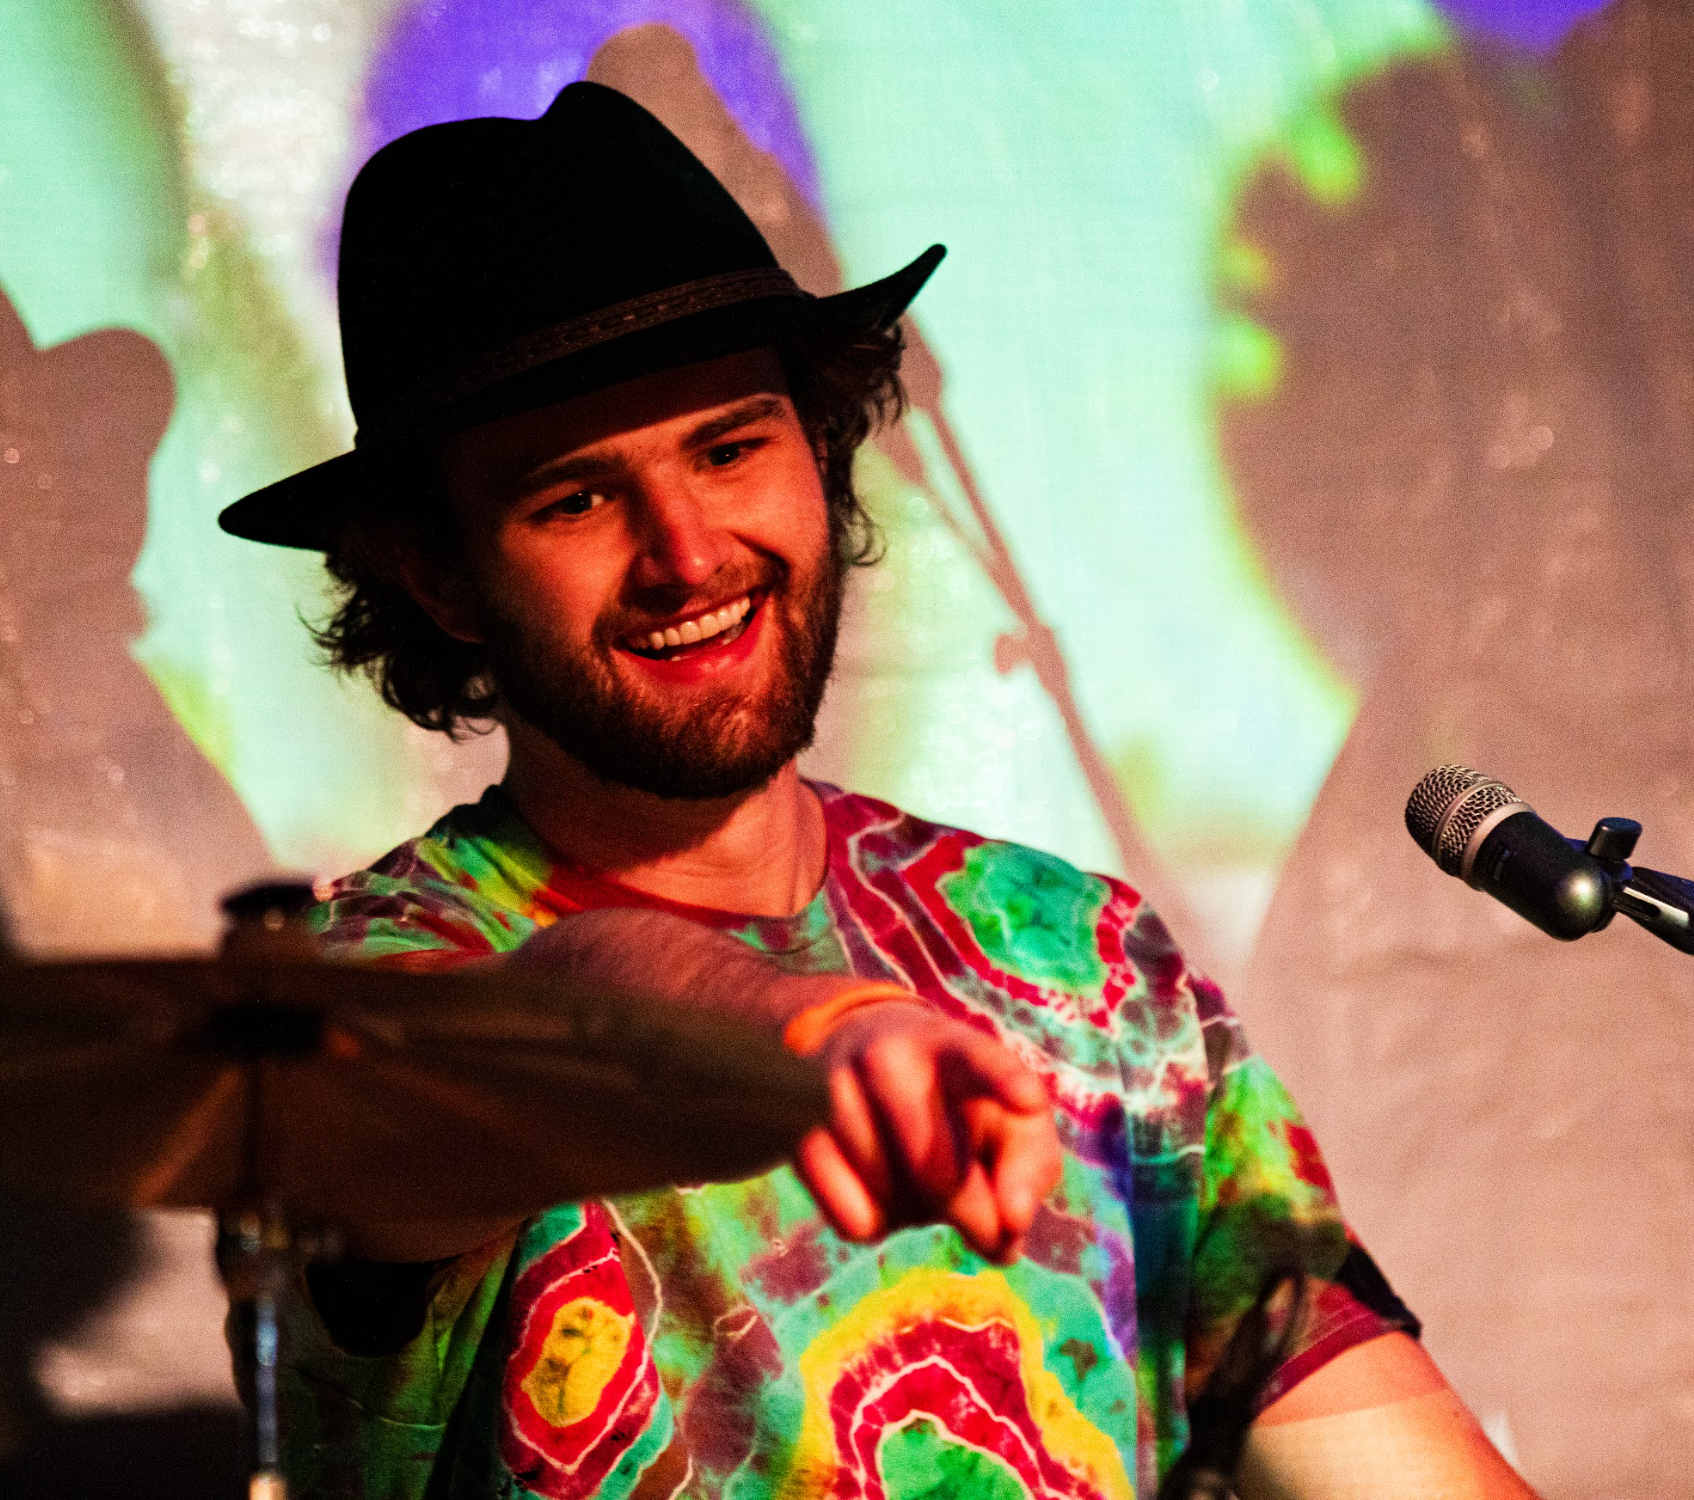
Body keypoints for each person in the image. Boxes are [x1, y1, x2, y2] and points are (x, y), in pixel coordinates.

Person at [218, 82, 1534, 1499]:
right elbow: (553, 1006)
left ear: (818, 443)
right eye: (577, 498)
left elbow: (1378, 1450)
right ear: (435, 575)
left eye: (730, 447)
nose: (686, 551)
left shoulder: (1075, 953)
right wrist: (808, 1028)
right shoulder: (360, 984)